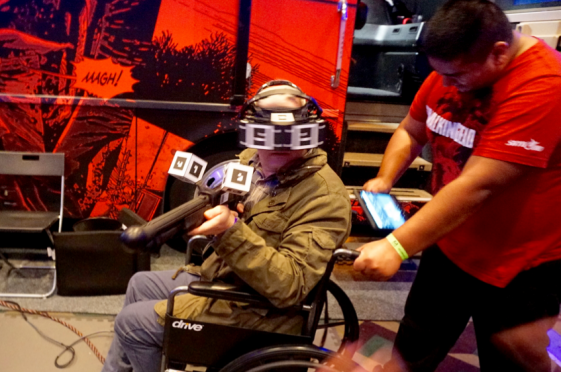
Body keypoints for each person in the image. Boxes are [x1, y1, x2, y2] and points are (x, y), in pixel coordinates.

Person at [353, 1, 561, 371]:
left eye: (457, 76)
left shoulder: (544, 85)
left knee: (509, 362)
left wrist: (397, 245)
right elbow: (411, 129)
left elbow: (478, 187)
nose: (446, 84)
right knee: (411, 350)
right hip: (449, 244)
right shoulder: (453, 67)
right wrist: (385, 178)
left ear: (499, 53)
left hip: (516, 266)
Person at [101, 80, 352, 372]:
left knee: (132, 324)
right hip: (229, 278)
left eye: (289, 138)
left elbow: (289, 287)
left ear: (309, 137)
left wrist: (230, 230)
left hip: (263, 311)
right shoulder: (251, 163)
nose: (272, 150)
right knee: (139, 284)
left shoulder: (325, 197)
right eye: (264, 137)